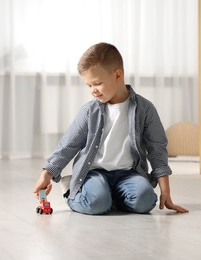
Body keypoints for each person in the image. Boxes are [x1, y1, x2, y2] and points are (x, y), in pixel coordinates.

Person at [33, 42, 188, 215]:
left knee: (146, 201)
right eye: (89, 85)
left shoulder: (145, 109)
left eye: (97, 83)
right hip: (94, 172)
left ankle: (108, 196)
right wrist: (46, 175)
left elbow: (157, 149)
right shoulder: (89, 111)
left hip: (129, 173)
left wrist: (165, 192)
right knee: (96, 204)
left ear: (117, 75)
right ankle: (77, 191)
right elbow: (68, 145)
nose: (93, 90)